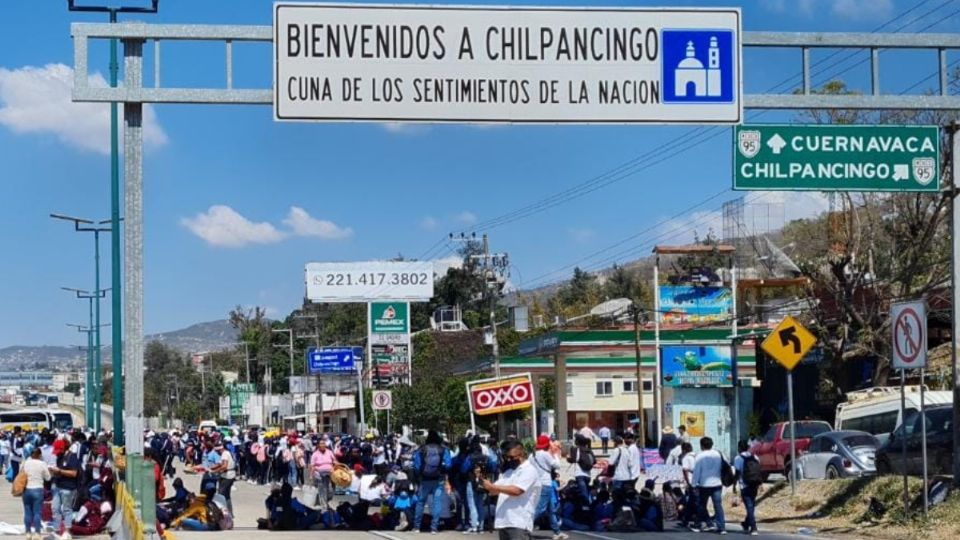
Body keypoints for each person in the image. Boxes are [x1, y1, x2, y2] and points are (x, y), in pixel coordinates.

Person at [481, 440, 541, 540]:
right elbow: (493, 491)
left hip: (519, 522)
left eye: (511, 457)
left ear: (521, 454)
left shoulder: (529, 470)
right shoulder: (508, 472)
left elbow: (517, 491)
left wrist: (492, 487)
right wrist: (483, 482)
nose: (508, 460)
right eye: (506, 457)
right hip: (504, 521)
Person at [412, 430, 452, 533]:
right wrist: (442, 470)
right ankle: (434, 527)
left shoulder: (421, 449)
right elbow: (448, 465)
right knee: (436, 502)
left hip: (424, 480)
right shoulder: (443, 450)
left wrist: (420, 474)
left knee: (420, 502)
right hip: (438, 480)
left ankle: (417, 527)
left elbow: (416, 466)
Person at [530, 435, 566, 540]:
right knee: (541, 509)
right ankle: (524, 526)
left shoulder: (532, 455)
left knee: (551, 510)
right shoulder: (545, 454)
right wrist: (555, 454)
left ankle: (557, 532)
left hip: (536, 483)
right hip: (545, 484)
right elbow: (557, 465)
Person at [51, 434, 83, 539]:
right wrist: (53, 472)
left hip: (68, 487)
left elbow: (74, 473)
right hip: (58, 485)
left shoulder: (72, 456)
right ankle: (56, 530)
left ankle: (67, 531)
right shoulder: (59, 457)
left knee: (67, 509)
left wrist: (60, 471)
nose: (57, 453)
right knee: (55, 508)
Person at [691, 437, 725, 534]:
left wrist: (693, 484)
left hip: (704, 485)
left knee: (701, 505)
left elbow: (696, 471)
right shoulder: (718, 454)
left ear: (701, 445)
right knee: (718, 506)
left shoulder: (700, 456)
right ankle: (722, 527)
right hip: (717, 483)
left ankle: (699, 524)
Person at [733, 440, 761, 536]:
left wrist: (734, 485)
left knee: (749, 506)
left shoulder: (738, 458)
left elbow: (737, 473)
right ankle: (746, 523)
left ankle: (753, 527)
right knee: (751, 505)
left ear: (739, 448)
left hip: (744, 485)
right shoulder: (755, 457)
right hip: (755, 484)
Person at [22, 447, 50, 540]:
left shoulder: (26, 463)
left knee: (27, 512)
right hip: (38, 489)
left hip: (27, 490)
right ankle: (37, 533)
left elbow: (21, 474)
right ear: (39, 455)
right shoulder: (42, 464)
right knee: (37, 513)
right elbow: (48, 478)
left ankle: (28, 533)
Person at [311, 438, 338, 510]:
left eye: (324, 443)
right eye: (321, 443)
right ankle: (324, 507)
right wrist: (312, 476)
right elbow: (312, 466)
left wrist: (336, 464)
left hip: (331, 473)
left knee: (331, 491)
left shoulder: (329, 452)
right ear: (318, 445)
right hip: (320, 474)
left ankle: (324, 502)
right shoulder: (315, 454)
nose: (323, 445)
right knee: (323, 490)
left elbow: (334, 461)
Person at [567, 435, 595, 504]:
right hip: (588, 475)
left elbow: (573, 459)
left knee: (583, 495)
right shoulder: (589, 450)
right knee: (586, 492)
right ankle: (588, 507)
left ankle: (585, 509)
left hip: (580, 474)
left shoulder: (577, 449)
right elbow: (594, 461)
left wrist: (567, 458)